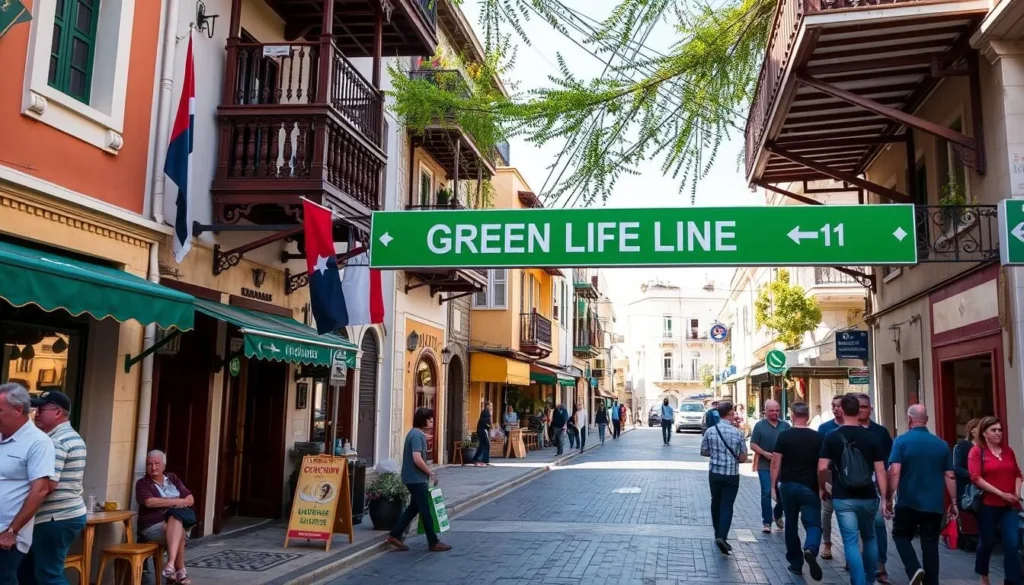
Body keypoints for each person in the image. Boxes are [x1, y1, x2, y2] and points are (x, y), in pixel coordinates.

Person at [817, 394, 888, 585]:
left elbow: (822, 467)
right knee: (870, 538)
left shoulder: (832, 437)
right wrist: (885, 497)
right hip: (868, 496)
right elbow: (880, 470)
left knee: (850, 541)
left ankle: (858, 582)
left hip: (843, 496)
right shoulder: (873, 438)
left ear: (842, 410)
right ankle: (870, 578)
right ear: (858, 410)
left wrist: (823, 487)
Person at [19, 391, 87, 585]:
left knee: (49, 575)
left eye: (42, 408)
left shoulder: (55, 441)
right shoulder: (70, 436)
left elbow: (46, 486)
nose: (36, 413)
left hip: (54, 517)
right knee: (31, 573)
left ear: (58, 412)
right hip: (64, 516)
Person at [886, 404, 957, 585]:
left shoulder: (901, 441)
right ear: (926, 420)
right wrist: (954, 501)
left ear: (910, 419)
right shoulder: (941, 444)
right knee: (930, 544)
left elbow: (894, 471)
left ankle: (914, 568)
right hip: (933, 504)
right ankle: (932, 582)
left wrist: (888, 497)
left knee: (901, 535)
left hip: (907, 502)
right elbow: (950, 475)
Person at [0, 384, 55, 584]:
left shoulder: (38, 442)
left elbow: (40, 490)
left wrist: (12, 531)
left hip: (6, 538)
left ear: (18, 410)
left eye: (0, 410)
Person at [770, 402, 823, 581]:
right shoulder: (818, 438)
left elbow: (775, 462)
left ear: (792, 415)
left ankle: (796, 563)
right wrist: (823, 487)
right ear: (807, 417)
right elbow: (822, 467)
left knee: (791, 525)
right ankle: (811, 548)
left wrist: (772, 485)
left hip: (788, 486)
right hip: (810, 487)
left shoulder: (784, 436)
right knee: (814, 523)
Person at [386, 408, 450, 552]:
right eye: (430, 419)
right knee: (425, 510)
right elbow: (417, 458)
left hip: (413, 478)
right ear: (422, 420)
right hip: (416, 479)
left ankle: (395, 535)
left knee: (414, 508)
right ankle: (433, 542)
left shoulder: (415, 434)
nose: (432, 421)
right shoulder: (416, 436)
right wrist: (430, 473)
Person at [968, 416, 1022, 585]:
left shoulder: (1008, 451)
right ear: (984, 433)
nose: (998, 433)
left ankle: (1012, 580)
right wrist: (1000, 493)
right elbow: (976, 477)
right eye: (994, 430)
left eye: (1000, 430)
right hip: (988, 505)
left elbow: (1018, 474)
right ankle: (983, 575)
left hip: (1010, 505)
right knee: (987, 543)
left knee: (1012, 544)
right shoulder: (977, 451)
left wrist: (1016, 492)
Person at [135, 450, 196, 584]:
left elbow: (190, 499)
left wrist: (181, 501)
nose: (154, 467)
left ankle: (170, 565)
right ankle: (179, 570)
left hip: (174, 524)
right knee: (177, 529)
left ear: (164, 466)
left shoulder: (172, 478)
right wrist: (177, 501)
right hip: (151, 528)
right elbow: (149, 502)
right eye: (150, 464)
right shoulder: (143, 483)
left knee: (175, 520)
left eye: (157, 463)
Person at [700, 401, 747, 555]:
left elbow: (704, 451)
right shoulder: (738, 433)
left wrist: (716, 454)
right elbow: (743, 457)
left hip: (715, 473)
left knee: (715, 501)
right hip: (731, 475)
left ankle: (716, 533)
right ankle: (722, 536)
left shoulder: (711, 431)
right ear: (731, 414)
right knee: (727, 505)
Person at [856, 393, 894, 583]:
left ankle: (880, 565)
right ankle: (861, 563)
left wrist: (888, 494)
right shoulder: (847, 430)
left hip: (876, 485)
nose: (861, 410)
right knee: (858, 527)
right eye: (858, 406)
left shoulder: (880, 432)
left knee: (879, 524)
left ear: (871, 408)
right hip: (853, 487)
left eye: (864, 406)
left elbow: (889, 461)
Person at [751, 399, 790, 533]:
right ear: (765, 411)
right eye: (772, 410)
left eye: (777, 410)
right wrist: (764, 453)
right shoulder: (759, 426)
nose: (775, 413)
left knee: (784, 493)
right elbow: (753, 444)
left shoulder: (785, 426)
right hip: (764, 465)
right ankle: (767, 522)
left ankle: (777, 514)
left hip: (782, 466)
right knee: (766, 492)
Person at [817, 394, 844, 560]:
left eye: (839, 405)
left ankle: (851, 551)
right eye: (833, 405)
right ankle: (827, 544)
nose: (835, 409)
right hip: (829, 477)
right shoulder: (824, 428)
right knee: (826, 512)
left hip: (850, 480)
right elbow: (819, 456)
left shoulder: (854, 427)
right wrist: (822, 482)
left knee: (846, 514)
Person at [471, 402, 492, 467]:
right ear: (487, 405)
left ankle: (479, 459)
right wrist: (490, 425)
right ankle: (481, 460)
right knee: (485, 444)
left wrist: (489, 425)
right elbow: (486, 421)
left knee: (483, 445)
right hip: (482, 430)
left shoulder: (485, 411)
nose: (491, 407)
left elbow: (485, 421)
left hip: (481, 430)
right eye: (490, 405)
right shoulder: (486, 411)